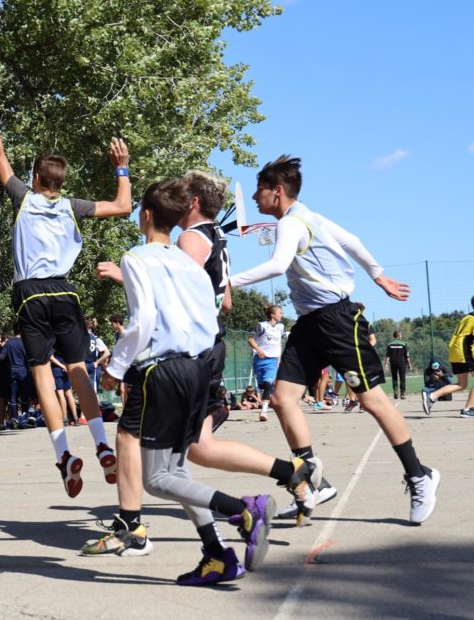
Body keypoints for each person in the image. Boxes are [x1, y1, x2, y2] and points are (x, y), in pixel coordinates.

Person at [85, 171, 317, 560]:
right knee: (180, 464)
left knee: (155, 474)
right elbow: (217, 309)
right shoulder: (192, 260)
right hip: (199, 362)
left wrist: (116, 367)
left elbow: (143, 321)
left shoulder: (143, 256)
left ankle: (244, 510)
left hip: (162, 369)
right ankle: (216, 552)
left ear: (146, 215)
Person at [229, 155, 439, 524]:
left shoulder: (293, 223)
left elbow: (278, 265)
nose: (256, 198)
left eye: (259, 190)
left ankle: (419, 475)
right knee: (282, 399)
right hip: (309, 325)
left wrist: (226, 282)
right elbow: (353, 241)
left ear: (277, 191)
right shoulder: (311, 217)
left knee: (372, 400)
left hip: (338, 323)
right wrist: (377, 274)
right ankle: (315, 483)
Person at [0, 68, 129, 498]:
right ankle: (101, 444)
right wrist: (121, 167)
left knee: (41, 371)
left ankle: (64, 454)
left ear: (36, 178)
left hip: (31, 294)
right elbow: (123, 205)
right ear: (61, 182)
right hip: (65, 291)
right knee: (77, 369)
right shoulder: (73, 206)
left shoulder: (23, 198)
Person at [423, 298, 474, 416]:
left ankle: (432, 396)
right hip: (464, 352)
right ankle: (467, 409)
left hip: (455, 351)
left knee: (461, 384)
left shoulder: (467, 317)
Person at [247, 306, 284, 422]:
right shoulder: (262, 326)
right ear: (272, 315)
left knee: (268, 384)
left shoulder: (281, 327)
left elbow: (279, 342)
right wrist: (258, 350)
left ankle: (264, 411)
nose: (281, 315)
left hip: (273, 360)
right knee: (262, 385)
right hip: (260, 359)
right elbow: (250, 340)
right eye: (280, 313)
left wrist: (279, 356)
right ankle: (266, 397)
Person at [384, 331, 413, 400]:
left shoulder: (389, 344)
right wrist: (409, 364)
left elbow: (387, 356)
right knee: (402, 378)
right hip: (402, 363)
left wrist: (386, 364)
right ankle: (402, 394)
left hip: (393, 363)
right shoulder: (404, 344)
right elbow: (407, 356)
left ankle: (396, 392)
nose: (401, 336)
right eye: (401, 335)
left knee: (394, 378)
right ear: (398, 336)